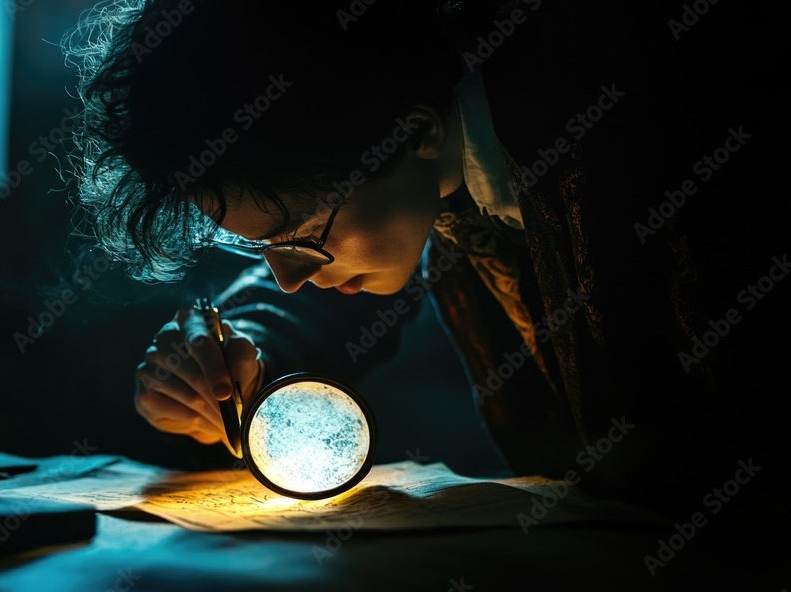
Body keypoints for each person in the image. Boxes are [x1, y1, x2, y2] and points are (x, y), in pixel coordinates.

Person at [62, 0, 785, 513]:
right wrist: (239, 359)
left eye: (300, 238)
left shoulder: (624, 103)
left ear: (409, 132)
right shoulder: (424, 160)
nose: (284, 279)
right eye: (257, 247)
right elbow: (321, 291)